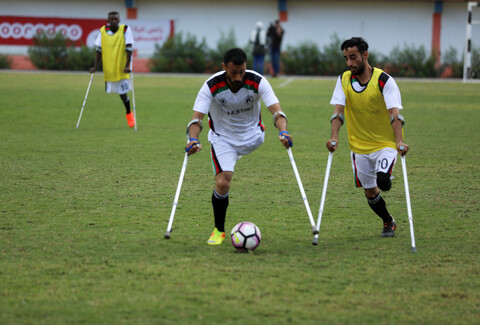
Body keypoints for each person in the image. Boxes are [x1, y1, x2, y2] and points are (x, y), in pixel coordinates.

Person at [185, 48, 293, 245]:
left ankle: (233, 158)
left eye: (242, 71)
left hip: (254, 137)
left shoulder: (257, 81)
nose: (238, 76)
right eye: (233, 72)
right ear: (224, 67)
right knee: (223, 182)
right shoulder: (211, 86)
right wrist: (193, 139)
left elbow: (277, 112)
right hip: (223, 139)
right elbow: (196, 120)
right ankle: (219, 231)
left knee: (227, 172)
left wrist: (283, 131)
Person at [326, 37, 409, 238]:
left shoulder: (383, 81)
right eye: (346, 58)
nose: (349, 63)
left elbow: (394, 114)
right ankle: (389, 221)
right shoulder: (344, 79)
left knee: (383, 181)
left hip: (385, 144)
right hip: (359, 147)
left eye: (353, 57)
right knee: (370, 193)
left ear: (365, 55)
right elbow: (338, 112)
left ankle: (386, 174)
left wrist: (399, 141)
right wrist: (334, 137)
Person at [89, 11, 135, 128]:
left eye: (116, 19)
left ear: (119, 21)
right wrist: (95, 66)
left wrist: (127, 65)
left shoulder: (125, 29)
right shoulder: (103, 31)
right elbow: (99, 50)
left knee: (122, 93)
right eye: (112, 19)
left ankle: (129, 113)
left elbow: (129, 47)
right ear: (108, 21)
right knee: (110, 93)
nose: (114, 21)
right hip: (109, 67)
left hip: (121, 67)